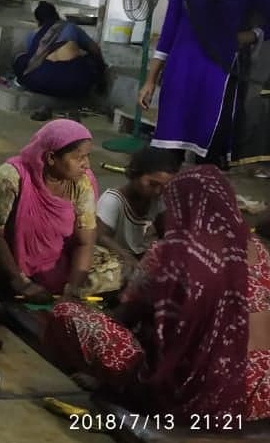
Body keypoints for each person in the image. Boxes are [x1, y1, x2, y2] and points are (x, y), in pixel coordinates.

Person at [46, 166, 270, 420]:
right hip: (259, 390)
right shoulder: (258, 251)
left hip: (196, 395)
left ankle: (113, 385)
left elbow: (126, 316)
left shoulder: (167, 254)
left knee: (67, 313)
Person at [0, 120, 119, 350]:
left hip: (56, 257)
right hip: (7, 255)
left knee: (113, 267)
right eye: (79, 157)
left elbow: (85, 240)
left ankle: (15, 298)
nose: (86, 164)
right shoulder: (10, 177)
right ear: (51, 158)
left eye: (87, 157)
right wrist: (19, 280)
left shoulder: (83, 182)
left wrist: (71, 290)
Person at [139, 0, 270, 168]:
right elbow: (168, 33)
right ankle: (168, 202)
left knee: (209, 151)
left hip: (219, 74)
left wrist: (252, 35)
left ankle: (200, 203)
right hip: (181, 71)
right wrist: (150, 80)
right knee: (168, 150)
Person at [95, 147, 179, 271]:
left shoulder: (157, 200)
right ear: (134, 174)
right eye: (152, 184)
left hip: (138, 256)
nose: (158, 191)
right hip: (112, 260)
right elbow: (100, 236)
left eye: (164, 186)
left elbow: (165, 232)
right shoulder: (112, 200)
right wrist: (126, 257)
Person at [14, 2, 107, 100]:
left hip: (39, 82)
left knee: (20, 59)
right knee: (90, 59)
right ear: (56, 14)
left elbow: (32, 61)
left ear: (38, 20)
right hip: (76, 84)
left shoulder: (32, 35)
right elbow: (95, 50)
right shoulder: (70, 27)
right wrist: (101, 76)